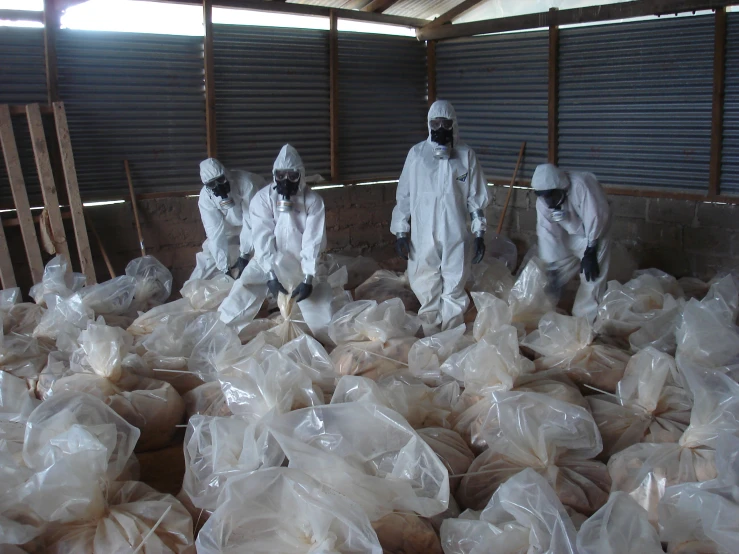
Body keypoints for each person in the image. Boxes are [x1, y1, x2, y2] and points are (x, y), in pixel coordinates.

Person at [391, 100, 489, 335]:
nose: (440, 129)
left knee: (454, 285)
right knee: (425, 283)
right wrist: (401, 230)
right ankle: (431, 335)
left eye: (445, 124)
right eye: (435, 123)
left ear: (454, 125)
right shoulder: (417, 155)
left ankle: (450, 337)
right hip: (423, 233)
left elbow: (475, 198)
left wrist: (479, 232)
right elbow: (404, 195)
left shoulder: (466, 156)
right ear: (428, 124)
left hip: (456, 233)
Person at [218, 144, 326, 331]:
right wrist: (270, 275)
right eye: (281, 175)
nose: (286, 181)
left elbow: (313, 241)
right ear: (274, 175)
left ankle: (318, 337)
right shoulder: (262, 199)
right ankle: (219, 333)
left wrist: (308, 277)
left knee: (319, 315)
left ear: (300, 175)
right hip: (268, 259)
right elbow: (262, 238)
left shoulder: (313, 201)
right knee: (242, 293)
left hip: (300, 261)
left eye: (292, 176)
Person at [532, 163, 611, 323]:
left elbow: (596, 216)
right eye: (543, 196)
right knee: (556, 273)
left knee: (591, 276)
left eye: (550, 195)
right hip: (569, 231)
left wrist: (590, 250)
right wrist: (553, 267)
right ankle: (543, 310)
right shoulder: (543, 202)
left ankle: (584, 322)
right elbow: (547, 232)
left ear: (561, 188)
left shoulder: (582, 186)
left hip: (595, 233)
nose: (547, 200)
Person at [186, 158, 265, 285]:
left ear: (227, 175)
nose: (219, 187)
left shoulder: (247, 184)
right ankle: (190, 289)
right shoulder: (206, 198)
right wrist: (224, 267)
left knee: (264, 251)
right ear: (207, 186)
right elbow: (215, 233)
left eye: (221, 180)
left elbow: (252, 221)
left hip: (259, 220)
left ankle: (267, 291)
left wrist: (244, 254)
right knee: (208, 256)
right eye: (212, 184)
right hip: (230, 225)